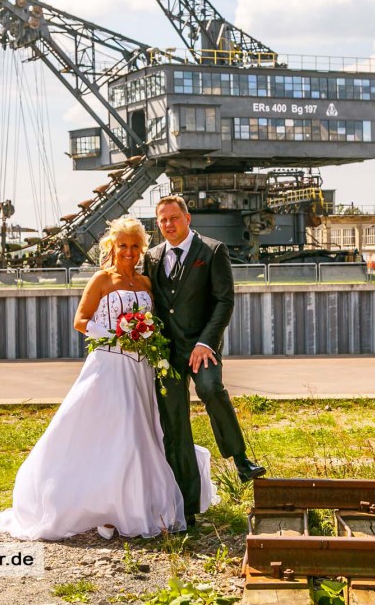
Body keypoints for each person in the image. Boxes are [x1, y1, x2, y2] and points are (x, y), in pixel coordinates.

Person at [0, 216, 216, 541]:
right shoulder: (101, 279)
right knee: (114, 430)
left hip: (141, 368)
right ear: (112, 247)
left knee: (140, 432)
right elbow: (81, 320)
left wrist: (150, 337)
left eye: (135, 246)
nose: (128, 251)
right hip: (109, 365)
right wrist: (117, 335)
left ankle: (133, 503)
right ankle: (103, 506)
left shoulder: (145, 283)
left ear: (142, 249)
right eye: (123, 245)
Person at [143, 196, 265, 528]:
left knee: (211, 389)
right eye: (163, 220)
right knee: (175, 424)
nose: (168, 224)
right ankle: (187, 506)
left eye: (174, 218)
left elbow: (224, 301)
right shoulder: (151, 258)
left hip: (201, 347)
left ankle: (240, 459)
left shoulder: (212, 251)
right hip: (166, 351)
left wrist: (205, 341)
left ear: (187, 218)